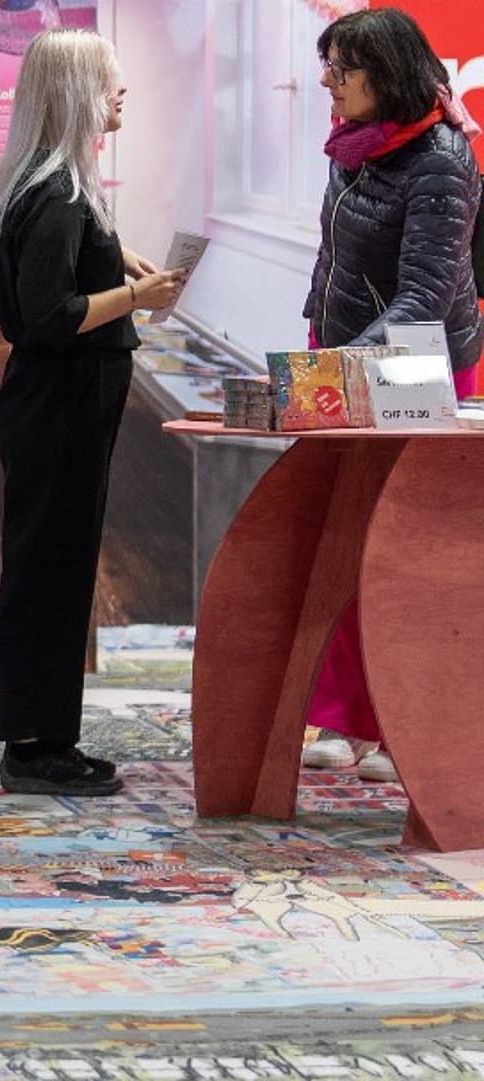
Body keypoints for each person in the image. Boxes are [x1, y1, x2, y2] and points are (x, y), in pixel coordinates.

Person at [0, 29, 183, 797]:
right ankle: (35, 747)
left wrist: (113, 254)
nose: (122, 91)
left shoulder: (49, 183)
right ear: (75, 93)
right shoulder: (61, 193)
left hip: (58, 399)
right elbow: (53, 315)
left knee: (53, 563)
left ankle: (46, 736)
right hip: (62, 399)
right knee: (50, 568)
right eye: (109, 79)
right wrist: (137, 295)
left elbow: (54, 275)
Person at [300, 9, 482, 782]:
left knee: (402, 547)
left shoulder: (442, 158)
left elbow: (426, 297)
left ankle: (397, 723)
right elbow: (333, 258)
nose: (326, 82)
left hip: (418, 366)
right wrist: (317, 334)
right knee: (341, 534)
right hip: (345, 358)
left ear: (388, 73)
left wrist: (339, 367)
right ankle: (345, 718)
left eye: (341, 68)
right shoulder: (352, 146)